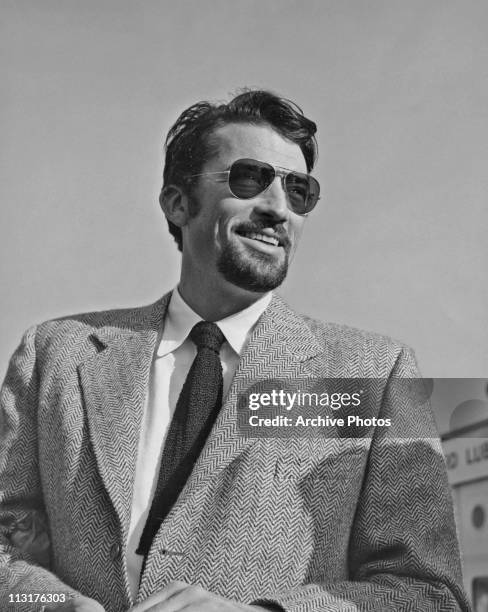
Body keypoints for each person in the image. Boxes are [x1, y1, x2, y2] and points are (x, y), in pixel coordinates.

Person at [0, 90, 470, 612]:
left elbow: (430, 594)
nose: (277, 208)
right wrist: (54, 606)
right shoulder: (55, 356)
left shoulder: (374, 378)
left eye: (299, 191)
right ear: (178, 203)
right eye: (250, 179)